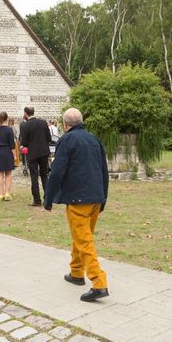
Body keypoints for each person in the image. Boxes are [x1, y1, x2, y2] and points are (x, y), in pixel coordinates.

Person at [44, 108, 109, 302]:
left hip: (78, 199)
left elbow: (56, 172)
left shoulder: (66, 140)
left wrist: (48, 198)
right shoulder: (94, 139)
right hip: (96, 198)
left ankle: (99, 283)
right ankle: (76, 272)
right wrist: (103, 197)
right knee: (80, 236)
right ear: (81, 121)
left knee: (84, 241)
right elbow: (104, 170)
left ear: (65, 125)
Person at [20, 107, 51, 207]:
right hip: (44, 152)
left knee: (34, 177)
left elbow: (24, 142)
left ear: (25, 113)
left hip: (32, 154)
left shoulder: (25, 125)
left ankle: (37, 200)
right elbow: (49, 138)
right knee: (44, 175)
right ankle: (47, 199)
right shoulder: (43, 122)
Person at [0, 112, 15, 201]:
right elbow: (12, 145)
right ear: (6, 119)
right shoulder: (9, 130)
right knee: (8, 173)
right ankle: (7, 193)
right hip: (7, 151)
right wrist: (14, 156)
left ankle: (0, 194)